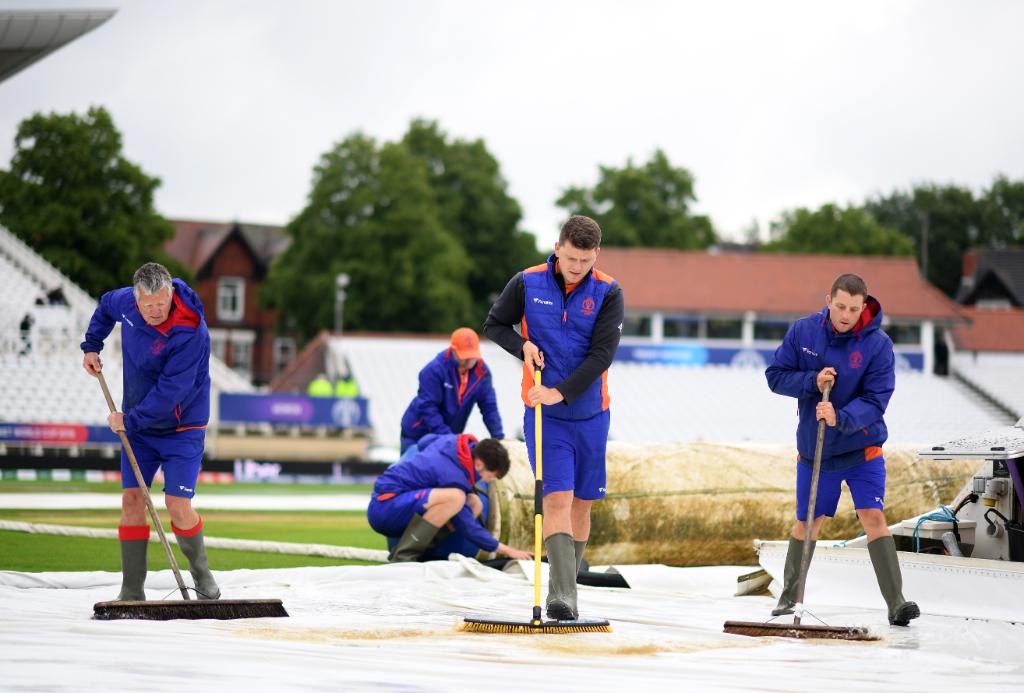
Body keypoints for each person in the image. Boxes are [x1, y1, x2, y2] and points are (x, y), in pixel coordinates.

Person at [483, 214, 624, 620]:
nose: (577, 268)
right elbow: (494, 324)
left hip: (592, 413)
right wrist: (522, 345)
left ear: (595, 254)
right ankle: (563, 598)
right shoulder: (527, 282)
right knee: (557, 498)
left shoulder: (608, 291)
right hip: (544, 415)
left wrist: (560, 391)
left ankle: (568, 585)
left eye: (585, 260)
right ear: (558, 247)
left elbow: (602, 356)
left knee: (582, 505)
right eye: (571, 259)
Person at [765, 273, 919, 626]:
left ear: (864, 306)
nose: (846, 315)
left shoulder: (878, 345)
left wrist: (841, 416)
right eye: (839, 307)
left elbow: (877, 399)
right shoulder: (803, 331)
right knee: (808, 522)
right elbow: (775, 376)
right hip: (815, 452)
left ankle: (897, 603)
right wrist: (812, 380)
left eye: (853, 308)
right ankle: (789, 599)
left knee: (874, 518)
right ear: (828, 300)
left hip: (862, 449)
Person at [81, 262, 220, 601]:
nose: (156, 311)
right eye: (148, 305)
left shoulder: (190, 332)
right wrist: (91, 345)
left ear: (170, 293)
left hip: (182, 428)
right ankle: (131, 592)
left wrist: (128, 420)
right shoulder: (125, 302)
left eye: (162, 303)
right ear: (137, 298)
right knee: (131, 500)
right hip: (140, 429)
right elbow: (104, 307)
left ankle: (202, 579)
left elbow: (172, 392)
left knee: (177, 504)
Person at [368, 433, 532, 562]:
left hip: (393, 500)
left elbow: (426, 440)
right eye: (491, 477)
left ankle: (425, 547)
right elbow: (468, 527)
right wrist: (509, 550)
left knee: (474, 502)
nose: (489, 481)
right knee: (456, 497)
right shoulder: (453, 477)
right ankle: (403, 555)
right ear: (480, 465)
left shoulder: (455, 444)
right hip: (385, 507)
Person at [399, 327, 503, 455]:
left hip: (449, 437)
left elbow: (489, 407)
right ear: (453, 350)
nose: (470, 360)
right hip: (419, 433)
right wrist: (450, 439)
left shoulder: (482, 373)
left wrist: (499, 438)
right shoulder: (434, 370)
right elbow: (428, 408)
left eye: (473, 355)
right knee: (411, 472)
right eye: (465, 356)